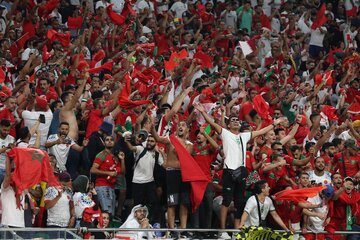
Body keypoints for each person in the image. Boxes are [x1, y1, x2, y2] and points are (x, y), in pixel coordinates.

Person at [194, 102, 286, 237]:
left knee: (239, 203)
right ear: (229, 125)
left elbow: (262, 131)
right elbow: (213, 124)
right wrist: (203, 112)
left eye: (237, 120)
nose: (236, 122)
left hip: (241, 172)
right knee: (226, 201)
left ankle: (236, 231)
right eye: (233, 120)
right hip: (228, 171)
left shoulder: (245, 136)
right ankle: (223, 230)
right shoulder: (225, 133)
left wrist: (275, 123)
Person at [90, 135, 124, 216]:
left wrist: (122, 160)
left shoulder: (115, 157)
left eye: (111, 140)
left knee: (110, 215)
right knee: (106, 213)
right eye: (107, 140)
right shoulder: (102, 155)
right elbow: (92, 170)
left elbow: (122, 172)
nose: (109, 141)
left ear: (114, 142)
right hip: (102, 187)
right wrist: (108, 173)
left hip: (111, 188)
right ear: (104, 143)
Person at [0, 119, 14, 185]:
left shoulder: (11, 139)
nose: (6, 132)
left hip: (8, 170)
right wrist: (7, 147)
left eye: (8, 130)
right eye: (4, 130)